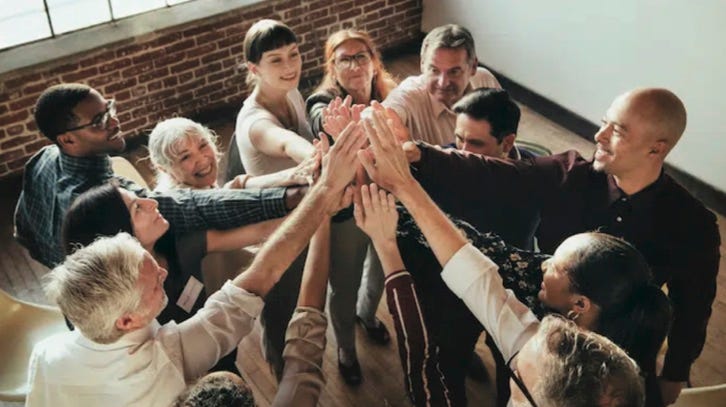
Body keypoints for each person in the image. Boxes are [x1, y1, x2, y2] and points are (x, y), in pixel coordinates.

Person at [398, 88, 721, 405]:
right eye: (604, 122)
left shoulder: (694, 225)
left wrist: (675, 374)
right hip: (542, 331)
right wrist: (421, 154)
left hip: (620, 365)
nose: (599, 135)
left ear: (656, 149)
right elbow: (497, 173)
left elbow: (692, 309)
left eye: (618, 130)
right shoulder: (568, 174)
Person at [25, 119, 367, 407]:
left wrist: (320, 193)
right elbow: (294, 352)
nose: (162, 272)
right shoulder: (166, 365)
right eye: (155, 281)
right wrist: (324, 197)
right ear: (128, 319)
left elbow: (256, 268)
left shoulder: (46, 354)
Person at [353, 182, 646, 407]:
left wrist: (388, 246)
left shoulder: (551, 361)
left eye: (516, 376)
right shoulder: (565, 357)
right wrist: (402, 189)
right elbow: (480, 284)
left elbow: (427, 377)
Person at [14, 83, 303, 269]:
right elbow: (187, 208)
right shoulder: (104, 195)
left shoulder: (41, 159)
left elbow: (24, 233)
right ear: (68, 140)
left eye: (109, 108)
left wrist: (60, 267)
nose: (114, 121)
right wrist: (291, 196)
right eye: (100, 120)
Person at [305, 29, 398, 384]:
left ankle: (367, 315)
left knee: (379, 270)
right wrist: (340, 126)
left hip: (386, 199)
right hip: (345, 209)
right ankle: (345, 346)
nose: (355, 64)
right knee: (343, 282)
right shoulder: (324, 101)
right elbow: (320, 117)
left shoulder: (388, 94)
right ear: (333, 66)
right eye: (345, 58)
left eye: (362, 56)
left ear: (374, 61)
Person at [234, 19, 318, 378]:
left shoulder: (292, 92)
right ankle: (279, 369)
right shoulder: (255, 120)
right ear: (254, 69)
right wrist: (317, 155)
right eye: (276, 60)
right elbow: (284, 142)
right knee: (280, 303)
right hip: (275, 227)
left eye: (294, 54)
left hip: (301, 211)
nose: (290, 66)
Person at [382, 24, 501, 145]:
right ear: (422, 64)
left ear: (473, 67)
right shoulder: (410, 94)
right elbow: (387, 110)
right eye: (434, 70)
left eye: (454, 72)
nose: (443, 83)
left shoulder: (485, 80)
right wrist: (374, 120)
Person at [149, 117, 316, 192]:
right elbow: (227, 200)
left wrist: (294, 175)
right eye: (185, 157)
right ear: (164, 169)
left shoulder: (195, 185)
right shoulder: (182, 201)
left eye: (203, 145)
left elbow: (230, 191)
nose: (201, 159)